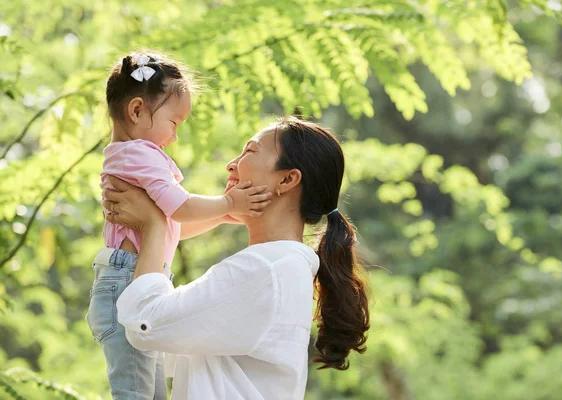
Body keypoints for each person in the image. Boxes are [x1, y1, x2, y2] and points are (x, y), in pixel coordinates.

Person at [102, 117, 370, 400]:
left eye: (250, 151)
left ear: (287, 179)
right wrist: (217, 213)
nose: (231, 164)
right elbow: (165, 346)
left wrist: (154, 226)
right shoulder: (278, 267)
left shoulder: (267, 270)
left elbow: (145, 326)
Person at [86, 51, 271, 400]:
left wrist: (221, 215)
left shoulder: (132, 154)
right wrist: (229, 203)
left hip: (134, 278)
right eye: (174, 122)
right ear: (137, 110)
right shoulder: (137, 154)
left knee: (150, 391)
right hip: (126, 281)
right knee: (137, 392)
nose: (174, 135)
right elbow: (180, 207)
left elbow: (172, 227)